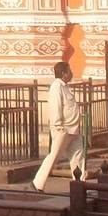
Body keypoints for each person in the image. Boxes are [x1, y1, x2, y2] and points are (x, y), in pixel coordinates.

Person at [33, 62, 88, 192]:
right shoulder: (56, 87)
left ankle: (80, 185)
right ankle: (38, 183)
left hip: (73, 129)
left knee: (78, 156)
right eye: (69, 71)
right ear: (64, 73)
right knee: (54, 156)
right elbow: (55, 107)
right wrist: (58, 126)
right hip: (63, 129)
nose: (72, 73)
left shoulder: (65, 87)